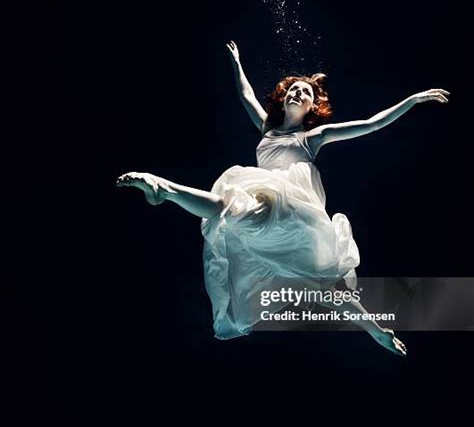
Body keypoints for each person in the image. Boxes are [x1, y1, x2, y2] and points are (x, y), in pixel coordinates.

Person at [117, 41, 450, 356]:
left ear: (310, 107)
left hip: (298, 211)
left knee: (325, 287)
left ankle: (376, 331)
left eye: (305, 91)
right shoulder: (267, 129)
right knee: (227, 207)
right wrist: (237, 64)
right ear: (284, 98)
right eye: (293, 88)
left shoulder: (314, 136)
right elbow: (246, 96)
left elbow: (370, 124)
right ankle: (163, 189)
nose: (298, 91)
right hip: (266, 201)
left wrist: (413, 100)